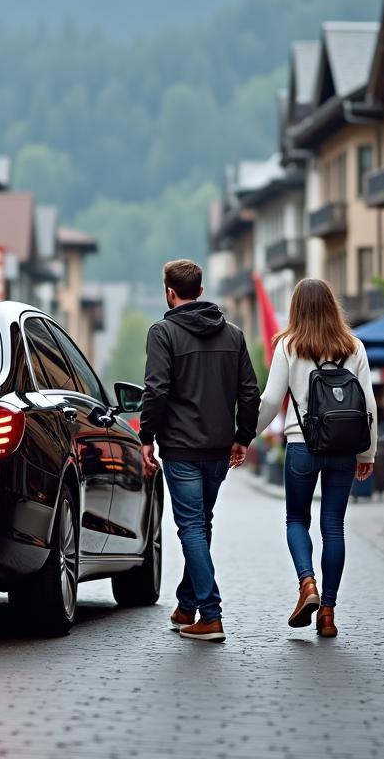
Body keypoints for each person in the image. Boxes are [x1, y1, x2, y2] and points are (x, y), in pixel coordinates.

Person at [139, 259, 260, 644]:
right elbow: (250, 392)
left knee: (191, 527)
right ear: (201, 292)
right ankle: (186, 605)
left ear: (169, 292)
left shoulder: (163, 333)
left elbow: (156, 390)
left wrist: (146, 437)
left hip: (180, 446)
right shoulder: (235, 335)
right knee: (200, 524)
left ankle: (211, 614)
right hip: (218, 448)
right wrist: (243, 436)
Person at [258, 278, 377, 639]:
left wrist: (242, 436)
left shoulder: (288, 346)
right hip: (343, 450)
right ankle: (327, 612)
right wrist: (367, 453)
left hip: (301, 447)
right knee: (334, 527)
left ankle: (306, 583)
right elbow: (368, 405)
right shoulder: (353, 346)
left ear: (296, 308)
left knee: (297, 519)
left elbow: (269, 400)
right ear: (332, 306)